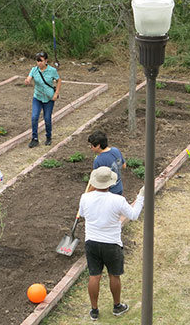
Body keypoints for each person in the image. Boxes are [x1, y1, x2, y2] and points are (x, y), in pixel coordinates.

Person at [78, 166, 145, 320]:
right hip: (111, 244)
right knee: (114, 275)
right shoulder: (117, 200)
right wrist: (141, 197)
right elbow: (134, 215)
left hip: (92, 242)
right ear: (110, 183)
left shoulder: (85, 197)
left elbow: (81, 214)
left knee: (94, 276)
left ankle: (94, 310)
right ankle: (117, 306)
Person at [24, 51, 61, 148]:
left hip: (49, 98)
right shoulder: (34, 70)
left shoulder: (52, 70)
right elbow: (29, 77)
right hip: (38, 97)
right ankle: (34, 138)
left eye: (41, 60)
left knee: (47, 118)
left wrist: (56, 93)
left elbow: (58, 80)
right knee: (34, 117)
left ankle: (48, 136)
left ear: (46, 61)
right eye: (37, 60)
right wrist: (27, 80)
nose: (39, 63)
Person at [88, 130, 126, 196]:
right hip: (119, 188)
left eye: (91, 146)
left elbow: (96, 182)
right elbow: (124, 166)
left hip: (108, 193)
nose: (90, 148)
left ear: (98, 146)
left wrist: (87, 194)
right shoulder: (116, 150)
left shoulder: (98, 160)